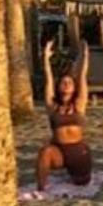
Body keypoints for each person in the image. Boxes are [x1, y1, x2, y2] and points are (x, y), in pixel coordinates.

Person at [37, 40, 93, 190]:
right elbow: (48, 81)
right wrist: (46, 59)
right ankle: (41, 188)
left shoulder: (79, 104)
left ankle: (74, 172)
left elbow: (82, 76)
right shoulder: (52, 106)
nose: (66, 84)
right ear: (59, 86)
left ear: (74, 88)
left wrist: (85, 56)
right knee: (45, 152)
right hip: (59, 151)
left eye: (70, 82)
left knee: (82, 183)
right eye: (63, 82)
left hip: (78, 151)